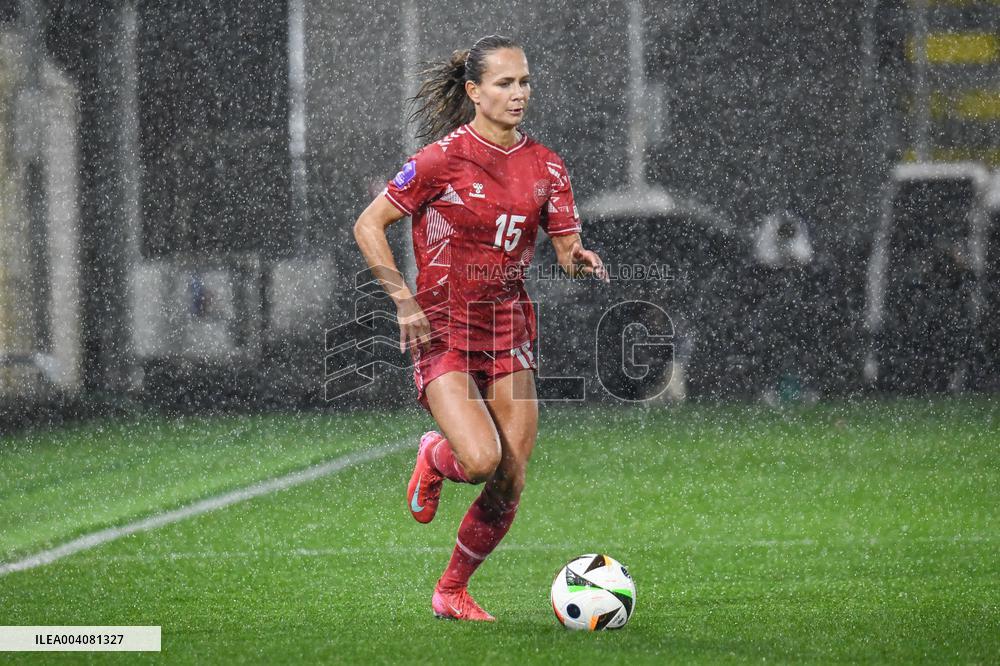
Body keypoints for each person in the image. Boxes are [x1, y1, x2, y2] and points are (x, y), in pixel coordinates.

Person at [353, 35, 607, 622]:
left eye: (524, 83)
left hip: (508, 330)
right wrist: (402, 302)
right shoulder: (441, 159)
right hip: (442, 328)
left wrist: (577, 258)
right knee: (480, 460)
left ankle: (450, 592)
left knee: (510, 478)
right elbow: (369, 226)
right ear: (474, 92)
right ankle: (435, 455)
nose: (519, 94)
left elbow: (565, 245)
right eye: (504, 83)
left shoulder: (547, 166)